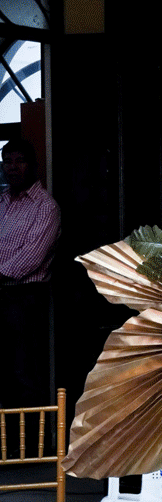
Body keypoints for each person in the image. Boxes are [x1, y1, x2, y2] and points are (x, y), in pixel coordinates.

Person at [0, 138, 60, 455]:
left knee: (23, 372)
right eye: (7, 160)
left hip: (23, 298)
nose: (12, 167)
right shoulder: (1, 203)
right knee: (3, 373)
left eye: (19, 160)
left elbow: (31, 257)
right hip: (3, 294)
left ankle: (29, 450)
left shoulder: (45, 207)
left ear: (32, 165)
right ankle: (6, 448)